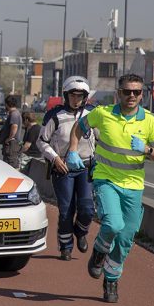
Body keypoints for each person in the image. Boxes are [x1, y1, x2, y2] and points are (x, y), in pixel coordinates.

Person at [67, 73, 154, 303]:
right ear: (118, 93)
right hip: (106, 180)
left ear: (142, 94)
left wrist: (147, 150)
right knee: (113, 223)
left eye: (136, 92)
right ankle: (99, 252)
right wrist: (73, 150)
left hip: (134, 185)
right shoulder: (103, 114)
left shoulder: (150, 120)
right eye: (126, 91)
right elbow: (78, 127)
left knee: (125, 240)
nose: (131, 95)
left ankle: (111, 281)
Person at [36, 76, 96, 262]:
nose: (76, 99)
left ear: (85, 97)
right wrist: (54, 159)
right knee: (66, 210)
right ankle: (65, 246)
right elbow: (41, 141)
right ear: (66, 95)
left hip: (86, 167)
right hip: (63, 169)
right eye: (73, 95)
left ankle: (80, 230)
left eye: (80, 95)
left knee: (87, 208)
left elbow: (103, 139)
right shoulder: (55, 115)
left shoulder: (92, 115)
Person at [1, 95, 23, 168]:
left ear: (7, 104)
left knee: (10, 164)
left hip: (12, 144)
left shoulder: (14, 114)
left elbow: (14, 127)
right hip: (11, 144)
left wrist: (9, 138)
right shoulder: (14, 113)